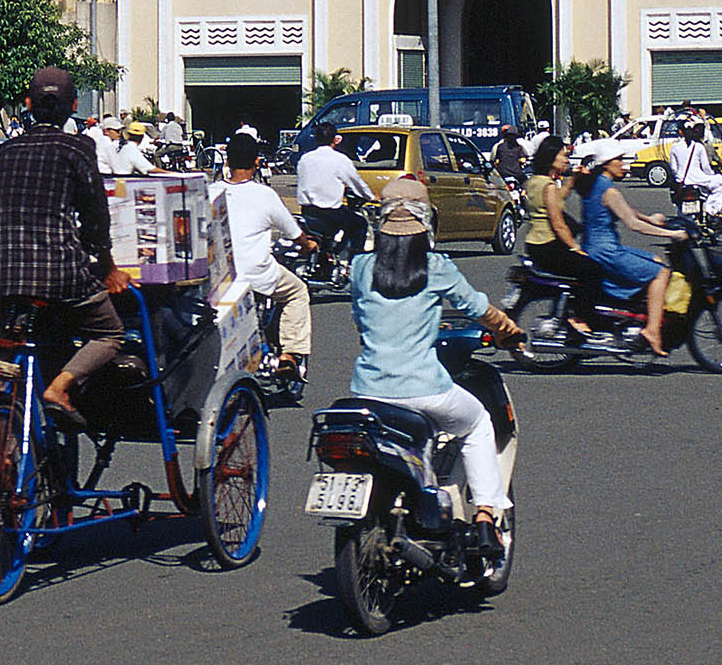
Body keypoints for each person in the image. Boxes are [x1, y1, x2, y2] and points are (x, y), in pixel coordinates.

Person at [349, 175, 523, 549]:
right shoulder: (435, 266)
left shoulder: (361, 267)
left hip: (366, 392)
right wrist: (508, 329)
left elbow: (360, 319)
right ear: (425, 222)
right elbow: (478, 309)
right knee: (476, 424)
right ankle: (486, 517)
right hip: (424, 391)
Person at [0, 66, 132, 430]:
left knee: (12, 344)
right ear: (74, 105)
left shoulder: (5, 151)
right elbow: (96, 218)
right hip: (61, 277)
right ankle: (61, 387)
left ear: (29, 104)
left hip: (4, 279)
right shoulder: (78, 147)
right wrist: (109, 267)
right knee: (110, 333)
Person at [574, 140, 688, 356]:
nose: (623, 165)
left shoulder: (596, 184)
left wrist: (652, 219)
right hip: (606, 252)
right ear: (606, 163)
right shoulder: (609, 191)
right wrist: (672, 234)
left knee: (654, 260)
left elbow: (627, 211)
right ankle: (652, 331)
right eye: (618, 160)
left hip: (594, 248)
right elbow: (633, 225)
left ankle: (636, 314)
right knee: (661, 274)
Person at [213, 131, 313, 376]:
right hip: (256, 275)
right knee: (298, 292)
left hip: (218, 277)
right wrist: (307, 245)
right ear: (257, 162)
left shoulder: (211, 191)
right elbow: (293, 232)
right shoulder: (265, 195)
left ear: (227, 161)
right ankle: (290, 354)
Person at [520, 136, 599, 336]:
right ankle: (579, 317)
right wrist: (575, 248)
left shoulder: (533, 182)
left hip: (534, 244)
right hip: (548, 245)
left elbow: (555, 201)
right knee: (592, 269)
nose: (566, 160)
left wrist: (572, 180)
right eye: (564, 156)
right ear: (551, 157)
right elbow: (558, 224)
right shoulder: (548, 185)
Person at [296, 123, 374, 259]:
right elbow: (357, 183)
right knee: (360, 224)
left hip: (307, 211)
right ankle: (353, 262)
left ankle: (329, 254)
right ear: (335, 139)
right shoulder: (340, 160)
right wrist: (371, 197)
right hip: (330, 213)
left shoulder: (305, 159)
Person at [670, 121, 722, 220]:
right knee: (721, 187)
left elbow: (673, 168)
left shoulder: (674, 147)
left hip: (681, 181)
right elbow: (705, 167)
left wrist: (679, 177)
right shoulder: (699, 147)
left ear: (680, 132)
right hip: (699, 179)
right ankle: (711, 211)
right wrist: (711, 175)